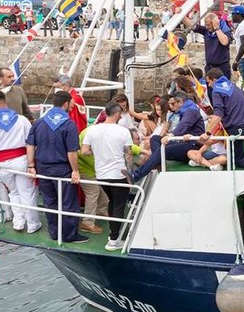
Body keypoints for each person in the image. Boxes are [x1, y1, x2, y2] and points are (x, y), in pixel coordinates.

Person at [0, 90, 41, 233]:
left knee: (14, 192)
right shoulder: (22, 119)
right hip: (22, 160)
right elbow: (31, 142)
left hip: (2, 163)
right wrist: (31, 163)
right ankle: (33, 224)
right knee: (27, 192)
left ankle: (19, 222)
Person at [26, 91, 86, 244]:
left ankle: (54, 232)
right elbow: (71, 151)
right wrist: (75, 170)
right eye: (71, 103)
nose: (73, 105)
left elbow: (30, 145)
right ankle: (69, 235)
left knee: (50, 201)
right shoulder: (68, 124)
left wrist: (31, 165)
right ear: (66, 103)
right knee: (68, 202)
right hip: (62, 169)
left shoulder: (39, 122)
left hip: (43, 168)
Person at [80, 103, 133, 251]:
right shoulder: (123, 132)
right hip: (119, 174)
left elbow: (84, 151)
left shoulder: (92, 130)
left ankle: (113, 233)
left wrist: (96, 154)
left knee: (111, 202)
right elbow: (128, 154)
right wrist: (130, 173)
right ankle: (113, 240)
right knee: (118, 206)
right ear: (117, 114)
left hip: (101, 174)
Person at [130, 91, 205, 182]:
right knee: (155, 139)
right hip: (182, 142)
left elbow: (184, 125)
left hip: (192, 145)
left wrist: (171, 136)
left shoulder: (191, 111)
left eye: (173, 104)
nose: (171, 106)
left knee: (161, 150)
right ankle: (159, 162)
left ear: (180, 102)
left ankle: (136, 175)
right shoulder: (186, 110)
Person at [186, 11, 232, 85]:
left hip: (222, 68)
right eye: (206, 25)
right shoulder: (206, 31)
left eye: (208, 25)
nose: (207, 27)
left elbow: (225, 42)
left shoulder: (225, 31)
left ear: (214, 23)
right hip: (210, 68)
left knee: (223, 90)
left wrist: (217, 28)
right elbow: (192, 26)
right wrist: (182, 15)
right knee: (210, 90)